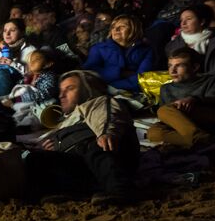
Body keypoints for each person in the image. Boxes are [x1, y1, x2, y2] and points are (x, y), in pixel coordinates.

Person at [25, 70, 138, 202]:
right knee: (35, 158)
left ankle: (120, 190)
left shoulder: (99, 103)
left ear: (87, 89)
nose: (61, 95)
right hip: (85, 167)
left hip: (110, 160)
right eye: (61, 90)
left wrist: (106, 133)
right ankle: (71, 192)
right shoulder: (67, 121)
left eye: (70, 88)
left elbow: (108, 118)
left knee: (98, 145)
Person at [145, 47, 215, 149]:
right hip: (188, 125)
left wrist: (194, 99)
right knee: (153, 132)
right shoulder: (166, 88)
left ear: (195, 67)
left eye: (179, 66)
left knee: (164, 110)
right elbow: (169, 117)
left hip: (213, 120)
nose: (172, 70)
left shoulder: (211, 81)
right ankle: (208, 141)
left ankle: (200, 139)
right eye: (170, 66)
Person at [83, 14, 151, 93]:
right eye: (113, 27)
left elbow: (142, 79)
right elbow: (90, 73)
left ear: (134, 29)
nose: (116, 29)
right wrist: (120, 73)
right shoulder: (98, 49)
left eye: (122, 26)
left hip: (135, 94)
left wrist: (111, 85)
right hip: (103, 93)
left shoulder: (146, 51)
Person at [170, 3, 215, 82]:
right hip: (180, 84)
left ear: (202, 21)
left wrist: (197, 80)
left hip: (208, 85)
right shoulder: (175, 43)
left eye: (188, 19)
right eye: (181, 20)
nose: (183, 23)